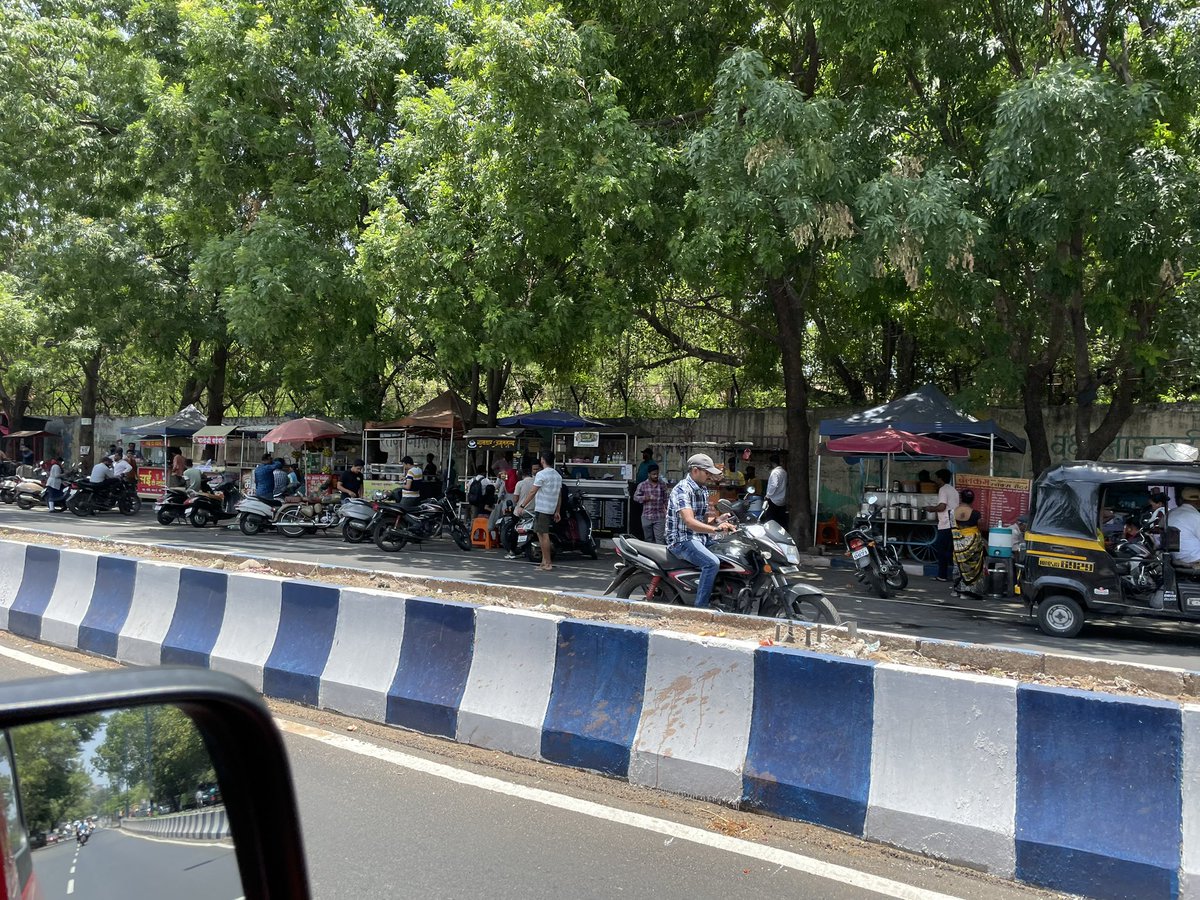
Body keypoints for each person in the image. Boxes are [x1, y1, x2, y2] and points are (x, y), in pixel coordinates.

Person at [665, 454, 737, 607]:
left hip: (699, 538)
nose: (709, 476)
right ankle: (700, 608)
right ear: (695, 470)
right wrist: (716, 529)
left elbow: (703, 521)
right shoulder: (682, 489)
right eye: (707, 472)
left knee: (732, 554)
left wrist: (719, 520)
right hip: (681, 541)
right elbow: (690, 522)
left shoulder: (702, 489)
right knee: (711, 563)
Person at [515, 451, 563, 572]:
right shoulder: (558, 475)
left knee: (544, 534)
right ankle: (543, 562)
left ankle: (548, 562)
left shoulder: (541, 474)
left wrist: (522, 505)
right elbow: (559, 495)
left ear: (542, 460)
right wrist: (557, 510)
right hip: (551, 508)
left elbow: (533, 491)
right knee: (540, 534)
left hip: (542, 508)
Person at [926, 468, 959, 582]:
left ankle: (942, 575)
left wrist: (931, 509)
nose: (935, 480)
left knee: (942, 551)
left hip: (945, 524)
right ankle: (955, 575)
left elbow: (942, 507)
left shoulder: (943, 490)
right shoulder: (953, 490)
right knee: (950, 551)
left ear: (940, 479)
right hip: (954, 523)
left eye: (937, 478)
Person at [951, 488, 985, 598]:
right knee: (972, 567)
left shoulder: (952, 512)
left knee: (958, 565)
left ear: (961, 498)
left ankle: (956, 590)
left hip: (957, 543)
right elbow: (981, 526)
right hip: (973, 543)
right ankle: (969, 592)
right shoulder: (976, 514)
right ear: (972, 500)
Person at [504, 462, 540, 559]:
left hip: (521, 511)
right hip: (534, 512)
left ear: (521, 476)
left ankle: (512, 551)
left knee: (513, 530)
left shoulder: (520, 483)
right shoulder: (537, 482)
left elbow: (515, 499)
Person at [633, 463, 668, 543]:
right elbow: (635, 497)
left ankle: (659, 555)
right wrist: (646, 498)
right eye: (653, 474)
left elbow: (666, 498)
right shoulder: (642, 485)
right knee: (648, 540)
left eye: (657, 474)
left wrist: (667, 509)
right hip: (646, 516)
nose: (656, 476)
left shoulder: (662, 484)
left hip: (659, 516)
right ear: (649, 474)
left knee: (660, 540)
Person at [1169, 487, 1200, 566]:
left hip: (1176, 559)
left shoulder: (1170, 513)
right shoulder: (1196, 516)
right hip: (1194, 559)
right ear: (1198, 502)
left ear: (1181, 500)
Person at [762, 454, 789, 528]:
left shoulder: (775, 472)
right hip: (782, 500)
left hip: (774, 500)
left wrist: (767, 496)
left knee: (770, 521)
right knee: (781, 521)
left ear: (772, 463)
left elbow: (773, 485)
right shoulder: (784, 472)